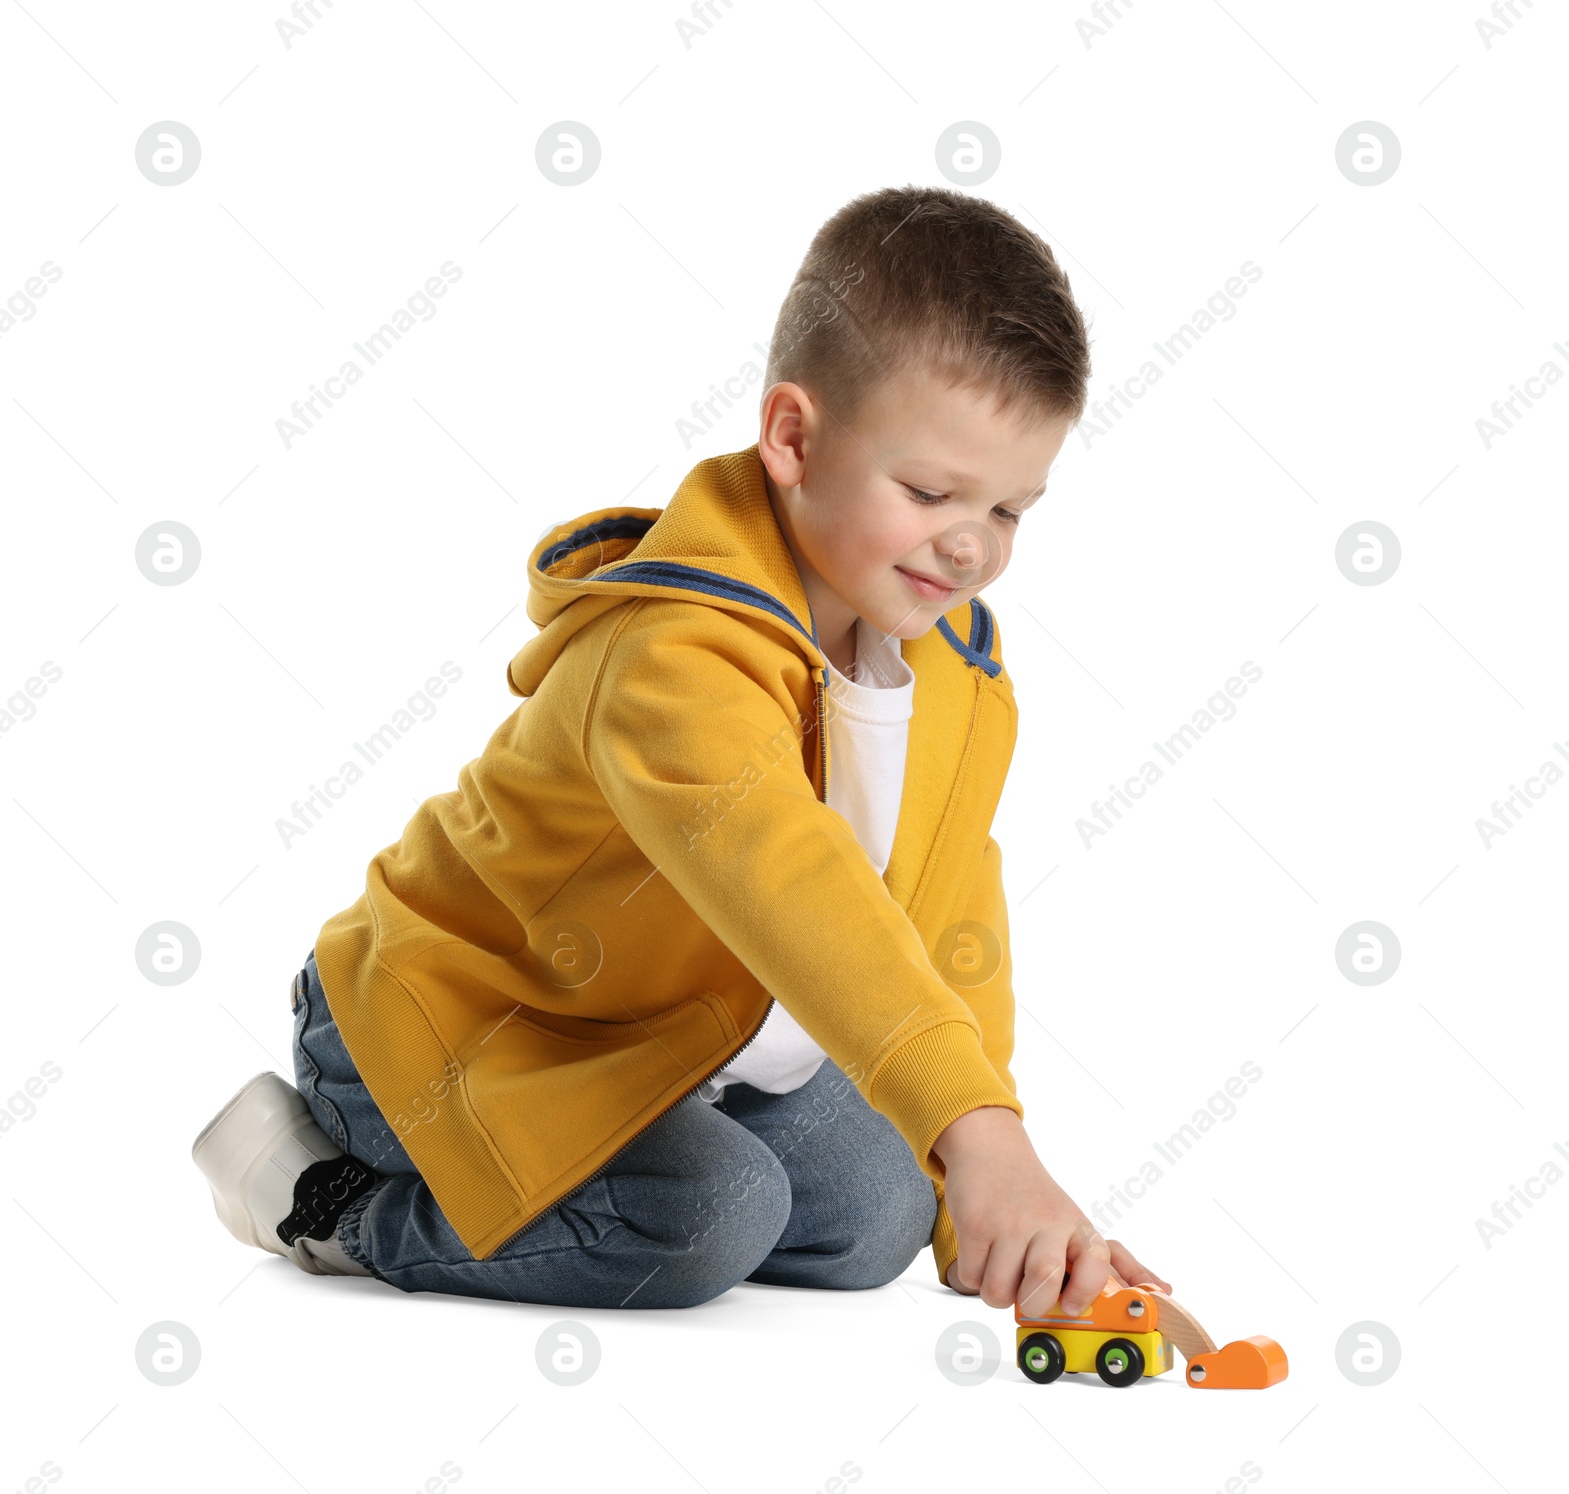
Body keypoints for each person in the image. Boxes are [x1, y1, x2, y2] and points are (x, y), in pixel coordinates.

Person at [191, 184, 1171, 1315]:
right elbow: (787, 881)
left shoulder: (956, 674)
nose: (969, 547)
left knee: (881, 1212)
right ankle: (325, 1201)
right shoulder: (671, 659)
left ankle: (604, 1188)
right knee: (708, 1214)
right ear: (794, 439)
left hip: (665, 1049)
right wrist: (978, 1135)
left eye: (1009, 511)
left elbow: (953, 926)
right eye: (930, 492)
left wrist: (980, 1184)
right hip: (448, 1021)